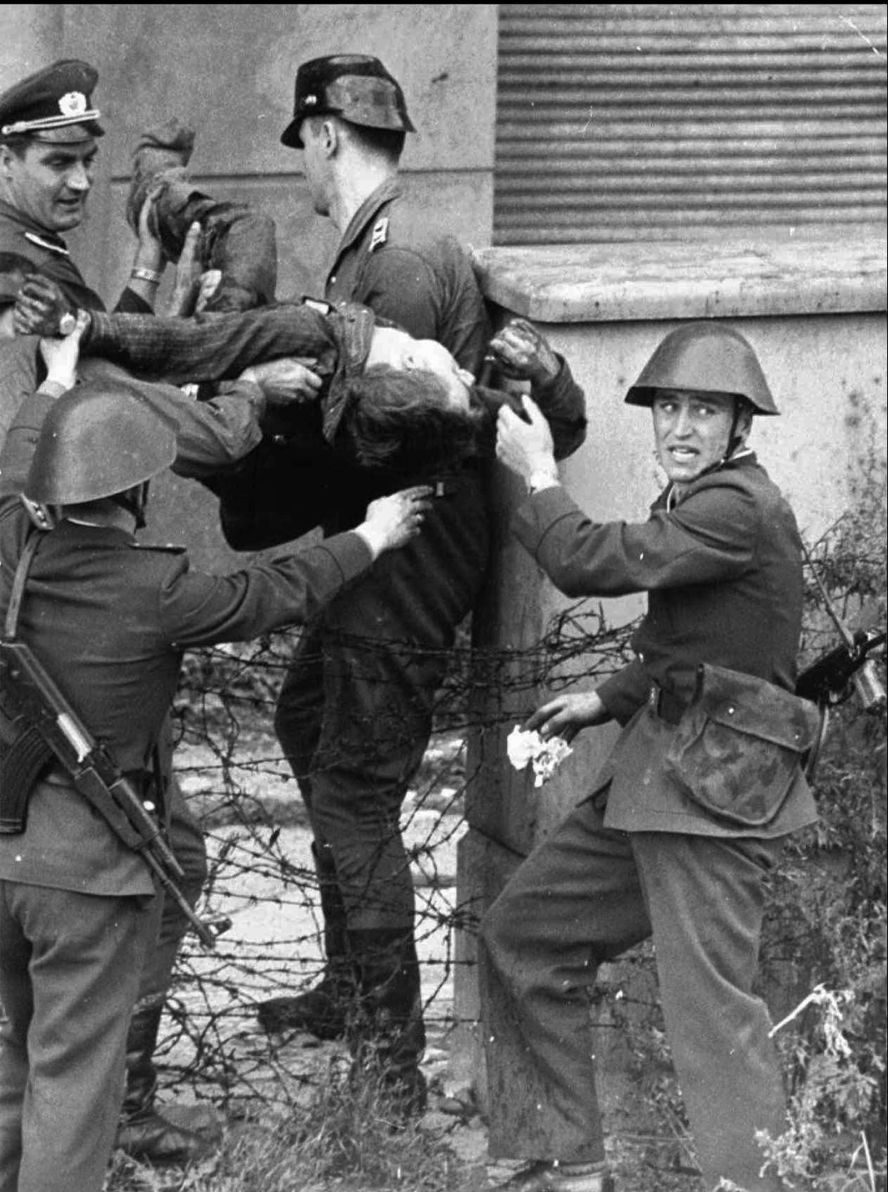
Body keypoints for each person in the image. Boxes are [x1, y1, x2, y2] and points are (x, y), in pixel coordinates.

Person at [0, 315, 431, 1192]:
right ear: (139, 493)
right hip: (89, 879)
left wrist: (56, 379)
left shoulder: (11, 541)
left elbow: (19, 456)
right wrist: (373, 537)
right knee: (75, 1088)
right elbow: (270, 592)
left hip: (4, 859)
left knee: (17, 1060)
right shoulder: (156, 587)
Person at [481, 321, 821, 1192]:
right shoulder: (697, 503)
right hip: (657, 774)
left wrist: (540, 474)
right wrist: (604, 700)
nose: (680, 426)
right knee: (525, 933)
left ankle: (756, 1186)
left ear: (741, 426)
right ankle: (569, 1162)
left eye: (704, 410)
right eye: (669, 406)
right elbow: (694, 643)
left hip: (709, 791)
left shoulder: (736, 507)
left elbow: (589, 561)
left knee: (711, 1011)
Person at [252, 53, 499, 1111]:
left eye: (301, 151)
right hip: (380, 550)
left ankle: (389, 1064)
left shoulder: (394, 265)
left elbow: (383, 439)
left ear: (322, 136)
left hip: (406, 562)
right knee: (304, 721)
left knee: (355, 790)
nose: (302, 170)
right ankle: (353, 987)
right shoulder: (380, 248)